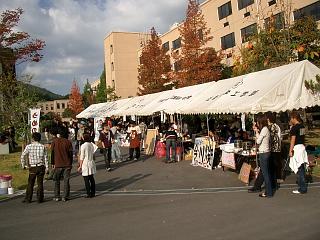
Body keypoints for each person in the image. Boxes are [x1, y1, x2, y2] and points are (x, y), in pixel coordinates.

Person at [20, 132, 48, 203]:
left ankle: (28, 199)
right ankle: (40, 199)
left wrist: (24, 165)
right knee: (40, 183)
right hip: (41, 166)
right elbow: (46, 158)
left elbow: (22, 156)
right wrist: (47, 168)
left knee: (30, 183)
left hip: (32, 167)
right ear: (40, 138)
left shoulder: (29, 146)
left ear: (33, 138)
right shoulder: (42, 146)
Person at [252, 116, 272, 198]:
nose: (257, 123)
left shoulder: (264, 129)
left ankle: (268, 192)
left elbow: (258, 141)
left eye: (257, 122)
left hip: (264, 153)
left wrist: (256, 132)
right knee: (264, 173)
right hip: (265, 152)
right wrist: (257, 131)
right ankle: (265, 189)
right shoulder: (265, 129)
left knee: (265, 173)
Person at [289, 111, 309, 194]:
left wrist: (290, 150)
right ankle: (302, 185)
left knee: (299, 168)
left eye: (291, 118)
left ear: (294, 118)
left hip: (297, 148)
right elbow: (302, 138)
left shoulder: (294, 128)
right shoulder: (302, 127)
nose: (290, 120)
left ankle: (302, 188)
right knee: (301, 167)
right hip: (302, 147)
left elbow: (293, 140)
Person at [51, 130, 73, 202]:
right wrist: (71, 163)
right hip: (67, 164)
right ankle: (65, 196)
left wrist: (53, 163)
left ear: (59, 135)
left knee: (57, 180)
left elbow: (52, 153)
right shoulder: (68, 142)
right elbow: (70, 154)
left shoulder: (54, 141)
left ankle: (57, 196)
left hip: (58, 164)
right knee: (66, 180)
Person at [266, 112, 282, 188]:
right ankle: (277, 178)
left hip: (273, 148)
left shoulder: (271, 127)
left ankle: (275, 180)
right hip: (277, 147)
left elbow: (270, 138)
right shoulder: (276, 126)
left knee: (274, 164)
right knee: (276, 163)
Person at [78, 134, 97, 198]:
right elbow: (94, 154)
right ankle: (93, 192)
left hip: (85, 163)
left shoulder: (83, 146)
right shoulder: (91, 144)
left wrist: (80, 166)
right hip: (91, 162)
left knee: (86, 179)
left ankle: (88, 193)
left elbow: (82, 157)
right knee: (91, 178)